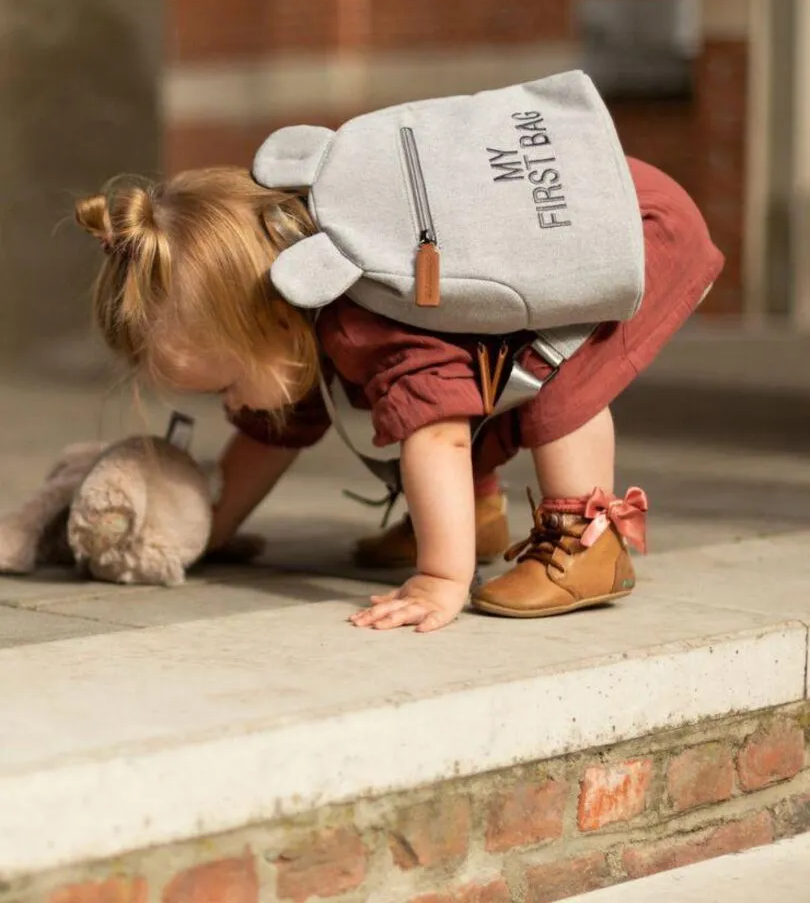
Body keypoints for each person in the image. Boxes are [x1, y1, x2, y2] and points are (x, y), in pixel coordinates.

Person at [74, 155, 722, 633]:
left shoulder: (368, 318)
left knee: (554, 382)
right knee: (483, 374)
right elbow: (272, 433)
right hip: (575, 215)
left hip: (626, 227)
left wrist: (442, 579)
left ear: (274, 326)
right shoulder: (300, 305)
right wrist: (202, 530)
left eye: (225, 384)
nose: (233, 406)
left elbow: (437, 429)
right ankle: (477, 511)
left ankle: (587, 541)